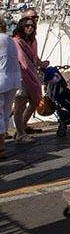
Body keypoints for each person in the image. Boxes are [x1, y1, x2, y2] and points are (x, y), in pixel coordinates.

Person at [12, 17, 46, 144]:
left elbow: (34, 58)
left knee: (34, 102)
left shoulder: (31, 41)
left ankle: (21, 129)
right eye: (27, 26)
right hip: (21, 77)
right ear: (21, 26)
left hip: (31, 76)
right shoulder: (17, 41)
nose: (30, 28)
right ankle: (20, 133)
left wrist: (41, 64)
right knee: (19, 107)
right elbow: (23, 61)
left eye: (32, 26)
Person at [0, 20, 20, 158]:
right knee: (6, 113)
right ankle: (2, 144)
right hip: (13, 79)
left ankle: (1, 146)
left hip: (1, 79)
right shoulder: (10, 40)